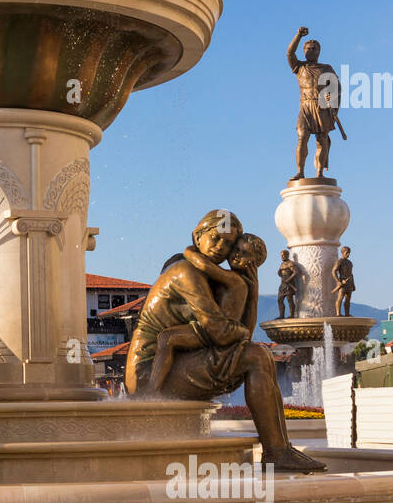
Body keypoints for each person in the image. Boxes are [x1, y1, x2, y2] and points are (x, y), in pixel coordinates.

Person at [124, 209, 324, 472]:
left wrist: (252, 292)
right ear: (198, 237)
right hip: (148, 374)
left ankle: (280, 449)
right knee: (255, 356)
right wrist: (239, 331)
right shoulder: (186, 272)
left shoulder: (212, 276)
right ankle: (276, 451)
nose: (221, 247)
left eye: (229, 243)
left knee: (259, 354)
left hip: (176, 360)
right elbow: (220, 332)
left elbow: (238, 333)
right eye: (216, 238)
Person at [146, 233, 267, 393]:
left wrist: (189, 251)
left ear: (255, 264)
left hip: (214, 332)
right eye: (236, 249)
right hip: (218, 331)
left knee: (166, 338)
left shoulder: (233, 279)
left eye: (244, 254)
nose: (237, 255)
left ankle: (152, 390)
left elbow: (204, 265)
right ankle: (154, 388)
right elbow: (248, 329)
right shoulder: (242, 283)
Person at [288, 26, 343, 179]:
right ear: (304, 51)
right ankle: (300, 172)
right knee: (302, 137)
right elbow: (289, 53)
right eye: (307, 49)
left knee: (321, 140)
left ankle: (319, 174)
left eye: (314, 49)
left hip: (322, 108)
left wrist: (331, 101)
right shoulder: (299, 67)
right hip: (305, 106)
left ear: (319, 51)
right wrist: (298, 36)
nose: (310, 51)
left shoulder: (326, 68)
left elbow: (337, 89)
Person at [332, 246, 355, 316]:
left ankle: (347, 314)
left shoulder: (350, 263)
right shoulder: (340, 261)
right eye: (347, 253)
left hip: (349, 283)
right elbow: (333, 271)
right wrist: (338, 281)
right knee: (340, 298)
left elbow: (351, 274)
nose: (348, 254)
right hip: (343, 282)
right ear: (342, 253)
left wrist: (353, 284)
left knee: (348, 299)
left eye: (349, 253)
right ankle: (338, 313)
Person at [276, 249, 299, 319]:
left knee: (289, 299)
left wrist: (289, 279)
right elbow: (280, 273)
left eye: (283, 255)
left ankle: (292, 315)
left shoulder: (290, 263)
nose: (282, 257)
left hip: (289, 284)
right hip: (283, 284)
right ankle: (281, 315)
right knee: (280, 300)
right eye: (281, 255)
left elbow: (295, 272)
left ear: (287, 255)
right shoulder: (282, 264)